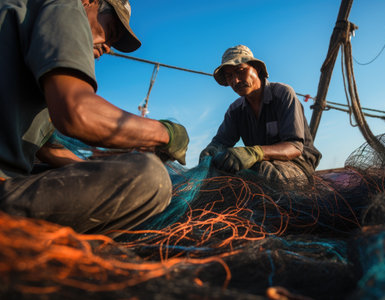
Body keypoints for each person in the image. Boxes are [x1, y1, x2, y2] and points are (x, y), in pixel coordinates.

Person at [0, 0, 189, 238]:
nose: (109, 48)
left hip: (11, 182)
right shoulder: (65, 5)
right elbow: (77, 113)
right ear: (88, 2)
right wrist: (166, 133)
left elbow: (48, 150)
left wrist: (101, 171)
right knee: (151, 179)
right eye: (109, 31)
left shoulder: (24, 25)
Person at [199, 45, 321, 183]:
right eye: (229, 76)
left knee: (262, 172)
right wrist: (211, 151)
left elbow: (294, 147)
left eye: (240, 71)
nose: (235, 81)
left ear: (256, 68)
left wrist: (255, 152)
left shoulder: (283, 94)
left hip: (298, 164)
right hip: (259, 165)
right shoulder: (235, 110)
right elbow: (220, 142)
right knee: (223, 175)